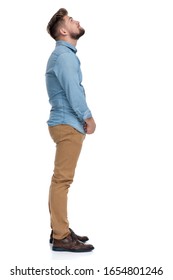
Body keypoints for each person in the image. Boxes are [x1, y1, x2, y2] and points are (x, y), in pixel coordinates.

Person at [45, 8, 96, 252]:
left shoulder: (64, 55)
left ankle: (60, 228)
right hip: (67, 124)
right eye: (70, 20)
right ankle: (61, 236)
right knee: (62, 181)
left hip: (64, 122)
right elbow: (73, 92)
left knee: (60, 180)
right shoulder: (64, 56)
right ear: (64, 31)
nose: (76, 20)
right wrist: (88, 117)